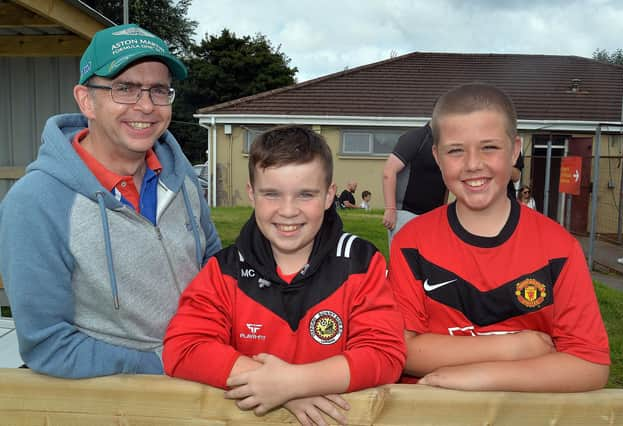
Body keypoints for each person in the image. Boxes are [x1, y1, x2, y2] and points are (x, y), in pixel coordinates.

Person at [0, 24, 221, 378]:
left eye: (159, 90)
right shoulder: (36, 203)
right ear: (87, 100)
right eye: (125, 88)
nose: (146, 106)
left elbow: (214, 268)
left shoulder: (183, 180)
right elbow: (48, 345)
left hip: (200, 382)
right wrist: (170, 363)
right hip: (114, 400)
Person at [163, 126, 405, 425]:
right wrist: (275, 384)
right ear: (252, 194)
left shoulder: (360, 263)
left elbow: (385, 355)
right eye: (272, 194)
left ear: (330, 195)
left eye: (305, 194)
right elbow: (183, 348)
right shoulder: (225, 270)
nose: (288, 211)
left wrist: (295, 382)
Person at [387, 83, 610, 392]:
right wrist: (514, 349)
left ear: (515, 150)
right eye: (456, 150)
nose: (473, 164)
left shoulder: (558, 247)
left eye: (489, 147)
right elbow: (399, 349)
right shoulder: (411, 242)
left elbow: (590, 364)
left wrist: (478, 377)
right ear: (437, 158)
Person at [382, 124, 447, 242]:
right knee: (404, 259)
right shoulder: (415, 137)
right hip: (406, 215)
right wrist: (390, 209)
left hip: (433, 218)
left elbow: (445, 181)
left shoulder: (445, 142)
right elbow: (389, 171)